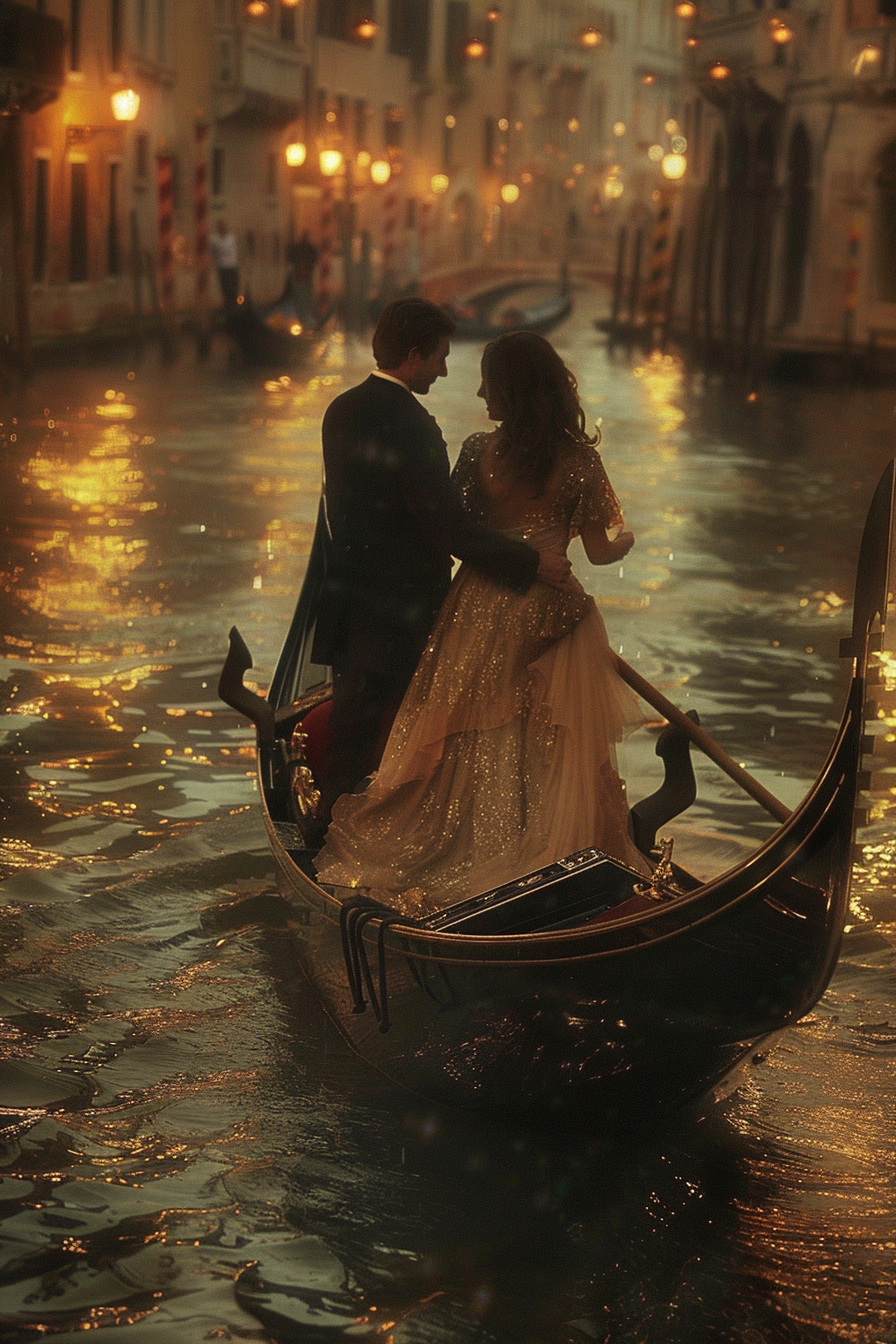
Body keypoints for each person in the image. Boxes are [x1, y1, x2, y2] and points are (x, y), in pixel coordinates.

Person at [315, 331, 649, 911]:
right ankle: (545, 855)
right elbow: (597, 552)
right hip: (554, 611)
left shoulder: (476, 452)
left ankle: (477, 845)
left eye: (487, 381)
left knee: (472, 730)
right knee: (546, 737)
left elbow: (454, 531)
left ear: (511, 390)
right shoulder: (581, 461)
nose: (477, 390)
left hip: (476, 607)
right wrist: (625, 543)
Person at [311, 299, 572, 829]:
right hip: (404, 613)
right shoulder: (416, 426)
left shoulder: (339, 409)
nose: (445, 370)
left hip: (346, 603)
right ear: (413, 356)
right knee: (403, 740)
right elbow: (448, 530)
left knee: (350, 734)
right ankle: (378, 839)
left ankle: (330, 832)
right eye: (440, 357)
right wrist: (530, 559)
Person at [285, 230, 318, 322]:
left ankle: (302, 311)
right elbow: (314, 258)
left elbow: (290, 257)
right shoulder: (309, 248)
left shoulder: (297, 247)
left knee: (300, 293)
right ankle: (304, 312)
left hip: (300, 273)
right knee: (304, 293)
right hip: (304, 273)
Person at [209, 219, 240, 310]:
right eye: (220, 227)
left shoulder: (232, 238)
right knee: (225, 288)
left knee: (234, 287)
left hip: (232, 266)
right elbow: (213, 253)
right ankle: (228, 305)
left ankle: (234, 305)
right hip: (222, 267)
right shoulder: (214, 240)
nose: (222, 228)